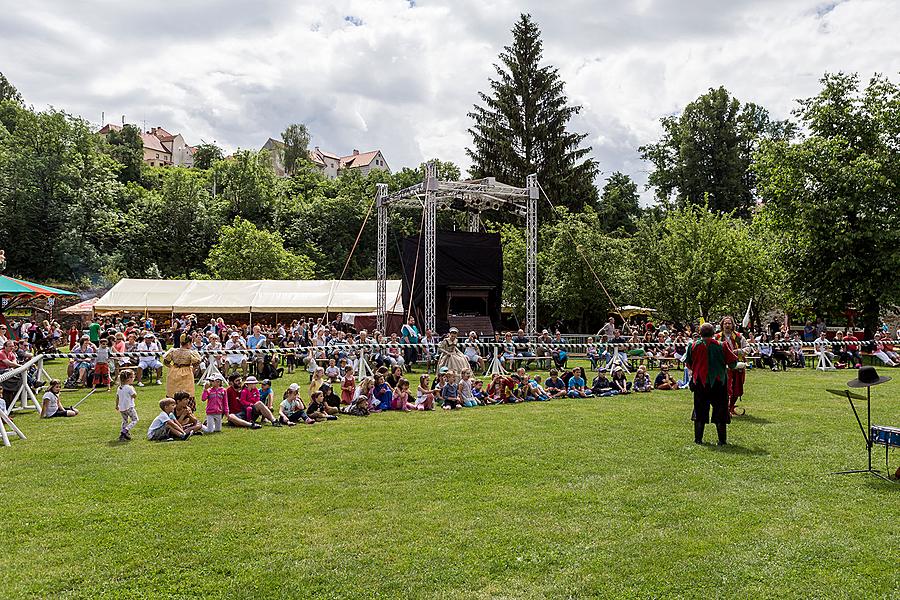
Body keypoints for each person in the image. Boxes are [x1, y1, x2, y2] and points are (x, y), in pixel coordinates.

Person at [685, 322, 743, 445]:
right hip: (719, 383)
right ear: (713, 333)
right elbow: (732, 363)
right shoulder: (722, 345)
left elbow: (688, 363)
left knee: (699, 410)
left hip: (700, 383)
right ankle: (722, 441)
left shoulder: (692, 346)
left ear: (700, 333)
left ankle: (698, 439)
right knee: (721, 410)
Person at [717, 316, 748, 415]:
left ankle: (730, 407)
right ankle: (725, 408)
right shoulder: (717, 337)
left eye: (729, 323)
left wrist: (738, 351)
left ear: (732, 325)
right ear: (722, 325)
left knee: (737, 388)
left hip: (738, 366)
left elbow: (748, 348)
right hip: (723, 367)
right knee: (726, 389)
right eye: (725, 323)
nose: (727, 325)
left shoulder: (739, 337)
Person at [115, 370, 139, 441]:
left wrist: (116, 405)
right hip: (129, 407)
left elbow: (117, 397)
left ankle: (122, 435)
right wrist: (134, 391)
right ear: (128, 379)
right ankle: (125, 431)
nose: (133, 379)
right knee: (135, 420)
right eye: (132, 377)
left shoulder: (119, 388)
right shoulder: (129, 388)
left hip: (122, 408)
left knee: (125, 420)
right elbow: (134, 396)